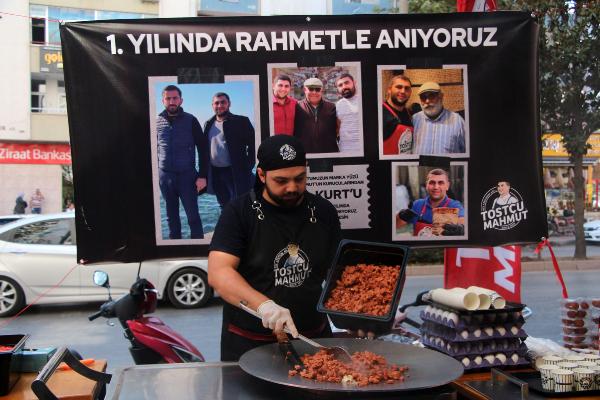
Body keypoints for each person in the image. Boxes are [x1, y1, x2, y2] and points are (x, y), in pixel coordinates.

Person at [208, 135, 342, 361]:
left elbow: (338, 271)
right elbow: (219, 272)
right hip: (249, 341)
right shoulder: (239, 212)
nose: (292, 187)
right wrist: (264, 306)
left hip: (312, 338)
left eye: (300, 178)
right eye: (281, 181)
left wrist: (363, 313)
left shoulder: (323, 211)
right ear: (261, 175)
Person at [157, 85, 207, 239]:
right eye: (168, 98)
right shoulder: (156, 121)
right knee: (171, 218)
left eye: (175, 98)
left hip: (187, 176)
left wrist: (203, 175)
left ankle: (197, 249)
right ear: (163, 100)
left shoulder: (191, 120)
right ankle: (174, 250)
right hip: (165, 177)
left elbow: (203, 148)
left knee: (193, 217)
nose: (172, 101)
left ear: (181, 100)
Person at [204, 92, 256, 208]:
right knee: (223, 205)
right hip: (216, 173)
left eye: (223, 102)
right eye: (216, 103)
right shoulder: (208, 124)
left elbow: (254, 145)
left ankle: (243, 226)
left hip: (235, 172)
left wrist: (248, 166)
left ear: (229, 104)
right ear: (212, 105)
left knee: (240, 205)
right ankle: (228, 226)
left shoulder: (241, 121)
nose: (220, 105)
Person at [396, 169, 465, 237]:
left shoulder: (455, 206)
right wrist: (400, 216)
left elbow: (463, 221)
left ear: (447, 186)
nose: (436, 187)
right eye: (432, 182)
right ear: (426, 185)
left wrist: (461, 228)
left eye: (440, 183)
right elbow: (396, 225)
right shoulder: (417, 204)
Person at [412, 81, 466, 154]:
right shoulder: (414, 119)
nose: (427, 101)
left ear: (441, 97)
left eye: (431, 96)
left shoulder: (457, 120)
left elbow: (466, 151)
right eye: (423, 97)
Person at [293, 77, 338, 153]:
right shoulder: (297, 107)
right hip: (304, 153)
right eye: (310, 89)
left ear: (321, 90)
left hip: (328, 153)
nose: (314, 92)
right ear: (305, 90)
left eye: (317, 89)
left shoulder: (332, 107)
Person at [382, 75, 414, 155]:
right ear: (389, 90)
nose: (403, 91)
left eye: (407, 88)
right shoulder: (381, 113)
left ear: (410, 92)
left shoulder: (409, 113)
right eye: (399, 87)